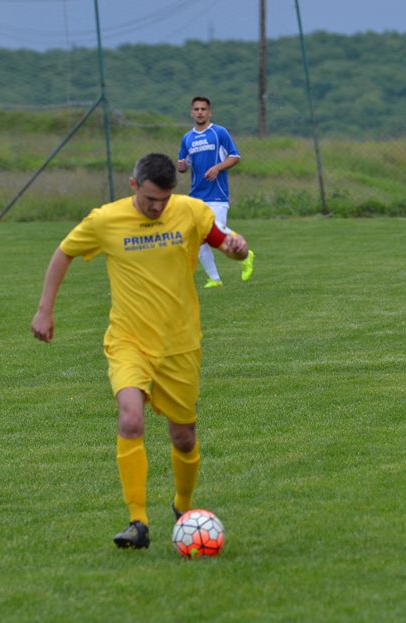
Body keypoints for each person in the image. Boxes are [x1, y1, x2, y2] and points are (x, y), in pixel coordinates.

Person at [31, 153, 251, 549]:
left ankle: (183, 507)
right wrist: (45, 310)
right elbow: (64, 252)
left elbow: (225, 244)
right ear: (133, 185)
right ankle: (138, 522)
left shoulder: (190, 212)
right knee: (130, 419)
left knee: (183, 437)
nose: (157, 207)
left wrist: (237, 248)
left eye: (164, 200)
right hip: (128, 341)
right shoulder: (105, 220)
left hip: (180, 344)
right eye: (150, 199)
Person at [178, 95, 254, 288]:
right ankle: (215, 279)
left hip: (217, 195)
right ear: (191, 112)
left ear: (209, 112)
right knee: (198, 239)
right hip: (196, 196)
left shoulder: (219, 132)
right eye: (196, 109)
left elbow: (235, 157)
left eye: (203, 109)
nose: (200, 112)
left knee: (216, 233)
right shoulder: (187, 138)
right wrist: (182, 166)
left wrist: (217, 168)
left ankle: (246, 254)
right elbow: (183, 163)